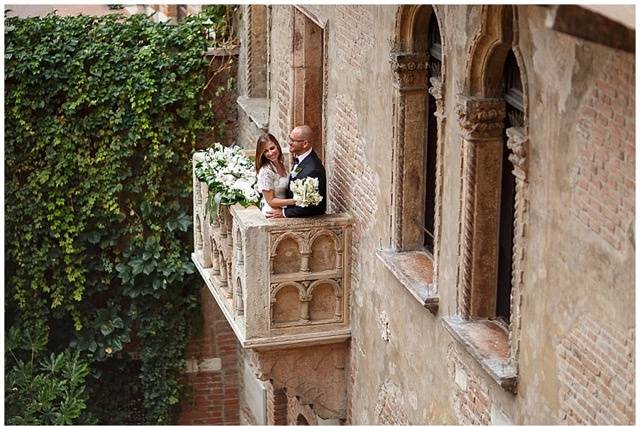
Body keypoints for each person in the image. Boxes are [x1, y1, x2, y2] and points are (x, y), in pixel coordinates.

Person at [266, 125, 326, 218]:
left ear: (305, 144)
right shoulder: (300, 158)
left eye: (293, 141)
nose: (289, 142)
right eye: (290, 138)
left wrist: (284, 213)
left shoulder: (313, 170)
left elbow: (311, 206)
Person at [255, 133, 296, 216]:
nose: (270, 153)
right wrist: (295, 201)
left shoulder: (281, 164)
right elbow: (270, 201)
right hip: (272, 213)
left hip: (285, 210)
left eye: (272, 148)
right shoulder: (265, 172)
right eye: (266, 151)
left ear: (277, 146)